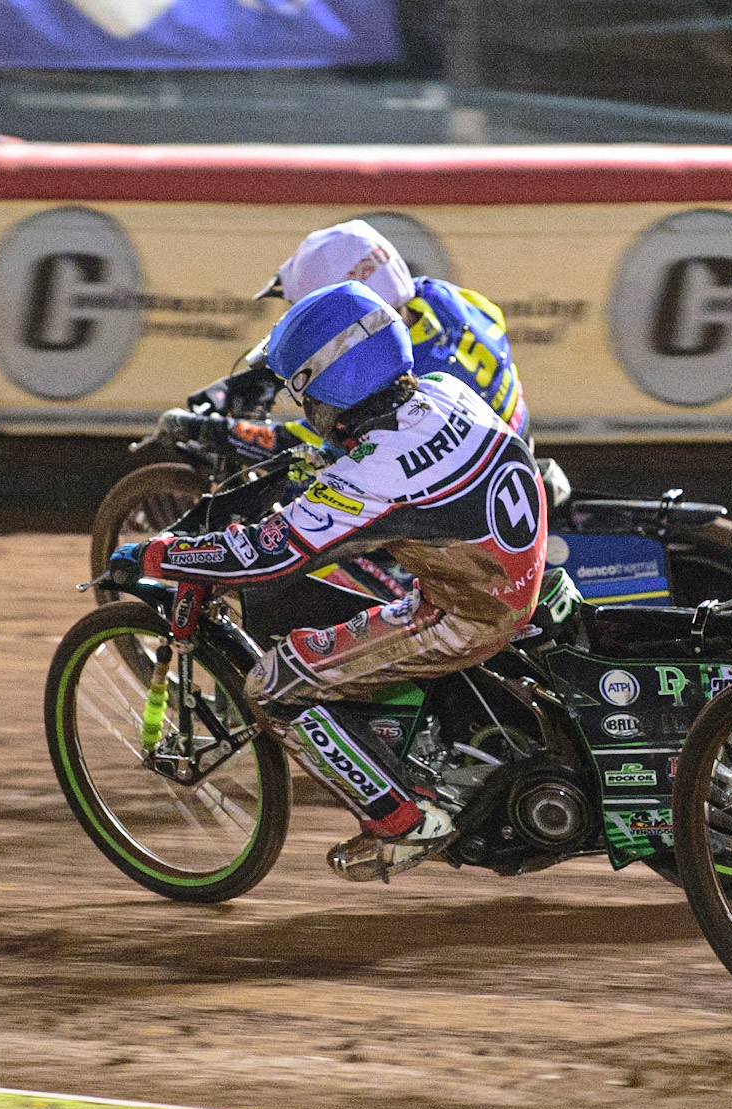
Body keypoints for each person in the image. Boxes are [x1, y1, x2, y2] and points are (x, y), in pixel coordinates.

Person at [109, 281, 547, 882]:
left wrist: (163, 557)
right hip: (524, 573)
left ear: (327, 386)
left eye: (303, 392)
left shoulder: (373, 471)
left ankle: (400, 821)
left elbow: (268, 556)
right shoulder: (446, 393)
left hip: (464, 614)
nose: (303, 409)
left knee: (273, 685)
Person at [162, 219, 529, 461]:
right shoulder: (444, 297)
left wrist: (216, 432)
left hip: (458, 494)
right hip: (512, 443)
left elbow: (304, 443)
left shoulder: (395, 371)